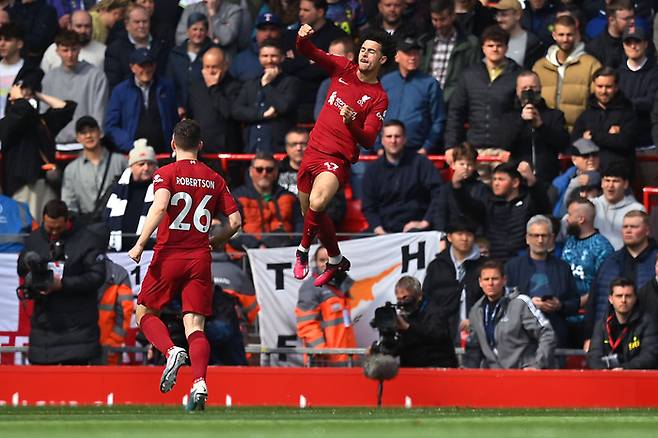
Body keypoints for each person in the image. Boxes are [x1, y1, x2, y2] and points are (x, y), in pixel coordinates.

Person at [127, 119, 242, 411]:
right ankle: (200, 381)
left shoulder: (165, 173)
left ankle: (170, 351)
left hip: (169, 254)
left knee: (144, 311)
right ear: (200, 146)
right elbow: (236, 222)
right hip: (199, 257)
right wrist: (217, 240)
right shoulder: (215, 178)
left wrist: (140, 243)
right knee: (195, 324)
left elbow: (161, 206)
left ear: (173, 144)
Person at [292, 24, 392, 287]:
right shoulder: (343, 68)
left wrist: (351, 124)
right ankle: (336, 259)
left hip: (336, 158)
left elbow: (369, 139)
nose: (364, 54)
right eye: (363, 49)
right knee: (312, 213)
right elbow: (308, 51)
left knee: (318, 200)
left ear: (381, 60)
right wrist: (301, 38)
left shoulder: (379, 97)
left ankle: (302, 250)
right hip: (312, 151)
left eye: (371, 52)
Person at [17, 200, 106, 365]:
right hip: (44, 332)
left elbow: (97, 277)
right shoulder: (34, 239)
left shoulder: (87, 239)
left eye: (58, 228)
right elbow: (21, 270)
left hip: (79, 332)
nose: (54, 233)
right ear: (43, 220)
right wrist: (27, 263)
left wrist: (63, 284)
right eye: (49, 228)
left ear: (67, 221)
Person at [0, 78, 76, 218]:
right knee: (25, 230)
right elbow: (21, 114)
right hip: (22, 186)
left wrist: (36, 94)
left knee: (47, 227)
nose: (27, 100)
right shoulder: (6, 123)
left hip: (46, 183)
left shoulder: (42, 122)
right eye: (23, 98)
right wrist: (17, 97)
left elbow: (65, 108)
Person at [444, 25, 521, 162]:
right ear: (483, 48)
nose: (495, 49)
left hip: (504, 151)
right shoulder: (469, 75)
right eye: (490, 45)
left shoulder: (518, 75)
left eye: (499, 45)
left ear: (506, 48)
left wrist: (513, 148)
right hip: (473, 149)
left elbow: (519, 117)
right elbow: (456, 113)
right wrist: (450, 145)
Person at [463, 260, 557, 369]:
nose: (490, 283)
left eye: (495, 279)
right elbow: (473, 348)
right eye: (486, 279)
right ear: (480, 282)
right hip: (495, 378)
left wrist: (538, 365)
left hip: (523, 375)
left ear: (504, 280)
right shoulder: (476, 311)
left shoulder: (520, 302)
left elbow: (547, 333)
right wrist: (466, 370)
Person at [504, 215, 580, 347]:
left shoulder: (563, 267)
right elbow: (503, 301)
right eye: (535, 235)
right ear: (527, 238)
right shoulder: (512, 267)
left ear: (552, 238)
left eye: (544, 236)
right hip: (520, 336)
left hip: (555, 332)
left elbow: (574, 302)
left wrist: (560, 305)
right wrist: (528, 304)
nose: (540, 240)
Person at [452, 160, 550, 262]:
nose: (496, 183)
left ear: (515, 182)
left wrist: (532, 181)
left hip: (523, 262)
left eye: (501, 179)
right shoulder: (487, 204)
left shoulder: (528, 202)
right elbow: (468, 208)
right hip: (495, 262)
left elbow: (544, 208)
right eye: (494, 179)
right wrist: (457, 187)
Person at [585, 210, 657, 346]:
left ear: (647, 230)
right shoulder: (609, 262)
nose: (628, 231)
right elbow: (594, 302)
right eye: (625, 227)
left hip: (650, 338)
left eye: (634, 227)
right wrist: (590, 337)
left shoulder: (656, 261)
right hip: (610, 338)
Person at [362, 120, 443, 234]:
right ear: (382, 140)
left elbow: (439, 194)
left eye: (397, 136)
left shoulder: (421, 163)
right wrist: (378, 229)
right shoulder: (373, 170)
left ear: (405, 139)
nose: (393, 141)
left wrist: (425, 222)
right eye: (389, 136)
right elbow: (368, 206)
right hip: (383, 232)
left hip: (417, 231)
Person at [498, 70, 570, 184]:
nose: (529, 91)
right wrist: (521, 121)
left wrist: (541, 126)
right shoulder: (509, 117)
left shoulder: (555, 115)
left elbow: (563, 143)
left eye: (532, 87)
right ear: (517, 91)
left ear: (540, 88)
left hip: (548, 178)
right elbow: (505, 143)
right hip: (518, 179)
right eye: (524, 88)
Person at [41, 30, 109, 150]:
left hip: (87, 145)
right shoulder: (49, 77)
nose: (70, 54)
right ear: (57, 51)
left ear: (80, 49)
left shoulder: (96, 75)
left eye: (74, 49)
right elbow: (44, 113)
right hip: (56, 145)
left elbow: (100, 112)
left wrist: (93, 139)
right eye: (65, 50)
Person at [533, 15, 602, 131]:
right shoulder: (540, 66)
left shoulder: (591, 65)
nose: (565, 39)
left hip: (578, 132)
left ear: (576, 35)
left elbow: (598, 101)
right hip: (545, 131)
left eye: (569, 35)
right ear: (554, 35)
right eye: (561, 35)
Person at [282, 0, 347, 122]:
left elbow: (329, 69)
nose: (300, 13)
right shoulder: (290, 36)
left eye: (306, 10)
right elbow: (285, 67)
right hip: (293, 100)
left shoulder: (337, 36)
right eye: (300, 9)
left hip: (323, 98)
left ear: (320, 12)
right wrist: (310, 60)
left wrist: (296, 62)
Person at [232, 39, 301, 154]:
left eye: (273, 56)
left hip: (279, 151)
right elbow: (236, 111)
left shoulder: (291, 82)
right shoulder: (250, 84)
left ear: (282, 57)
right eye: (265, 56)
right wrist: (262, 114)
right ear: (259, 58)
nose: (269, 60)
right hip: (252, 150)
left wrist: (267, 85)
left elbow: (283, 107)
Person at [422, 219, 484, 344]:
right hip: (442, 334)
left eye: (469, 234)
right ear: (449, 237)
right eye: (460, 234)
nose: (465, 238)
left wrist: (475, 319)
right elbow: (427, 299)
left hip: (478, 333)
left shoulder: (484, 266)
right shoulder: (437, 266)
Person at [104, 48, 178, 153]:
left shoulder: (166, 88)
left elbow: (174, 120)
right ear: (132, 67)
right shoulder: (120, 91)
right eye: (141, 66)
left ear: (155, 66)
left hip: (163, 152)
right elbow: (111, 126)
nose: (146, 70)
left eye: (149, 65)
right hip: (132, 155)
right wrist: (130, 145)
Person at [380, 36, 446, 153]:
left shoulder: (430, 83)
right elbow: (374, 116)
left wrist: (426, 147)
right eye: (407, 53)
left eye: (415, 53)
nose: (412, 57)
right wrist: (378, 147)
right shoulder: (385, 82)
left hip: (417, 151)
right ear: (397, 56)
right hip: (386, 150)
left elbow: (439, 120)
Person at [295, 245, 356, 366]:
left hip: (346, 358)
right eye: (322, 260)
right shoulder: (310, 288)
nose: (326, 264)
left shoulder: (341, 284)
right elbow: (306, 325)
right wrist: (321, 351)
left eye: (329, 260)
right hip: (325, 361)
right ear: (315, 262)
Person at [571, 67, 637, 176]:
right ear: (594, 85)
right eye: (600, 86)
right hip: (589, 174)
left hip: (618, 175)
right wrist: (610, 137)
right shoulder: (586, 114)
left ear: (616, 87)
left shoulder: (627, 112)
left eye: (608, 87)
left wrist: (592, 137)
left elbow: (625, 142)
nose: (603, 91)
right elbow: (574, 144)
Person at [61, 116, 127, 219]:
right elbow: (69, 204)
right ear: (78, 138)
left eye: (92, 131)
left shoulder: (120, 161)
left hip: (118, 220)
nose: (88, 136)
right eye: (83, 132)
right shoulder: (71, 169)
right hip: (87, 225)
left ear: (100, 133)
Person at [231, 152, 299, 248]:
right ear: (250, 172)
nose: (264, 173)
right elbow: (232, 232)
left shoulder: (290, 197)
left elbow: (300, 227)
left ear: (276, 172)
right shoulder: (237, 197)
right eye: (259, 170)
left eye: (269, 170)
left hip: (286, 253)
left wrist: (292, 247)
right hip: (249, 256)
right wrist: (258, 246)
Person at [588, 277, 658, 369]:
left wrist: (624, 369)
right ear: (611, 299)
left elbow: (649, 356)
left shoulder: (647, 323)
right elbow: (594, 356)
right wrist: (604, 371)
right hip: (607, 378)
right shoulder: (602, 324)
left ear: (635, 298)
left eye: (628, 296)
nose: (623, 300)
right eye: (619, 296)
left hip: (636, 378)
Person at [420, 0, 480, 106]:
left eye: (443, 19)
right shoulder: (425, 42)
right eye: (435, 20)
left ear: (453, 16)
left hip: (453, 104)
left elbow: (473, 77)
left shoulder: (470, 44)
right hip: (425, 102)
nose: (438, 24)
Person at [185, 47, 241, 154]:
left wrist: (213, 88)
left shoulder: (235, 86)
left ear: (225, 66)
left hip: (226, 149)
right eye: (207, 67)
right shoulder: (195, 88)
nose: (210, 71)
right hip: (201, 149)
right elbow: (190, 116)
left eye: (214, 67)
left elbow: (229, 112)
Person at [105, 140, 158, 251]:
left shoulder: (161, 189)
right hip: (119, 252)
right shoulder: (117, 189)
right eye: (141, 164)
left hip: (149, 251)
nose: (146, 168)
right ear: (131, 166)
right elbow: (105, 218)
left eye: (150, 163)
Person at [394, 275, 457, 367]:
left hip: (436, 368)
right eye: (399, 299)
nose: (402, 303)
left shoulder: (435, 311)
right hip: (410, 369)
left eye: (405, 298)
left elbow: (437, 334)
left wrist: (408, 327)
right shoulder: (404, 315)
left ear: (419, 296)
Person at [104, 4, 169, 89]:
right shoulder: (115, 49)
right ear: (127, 25)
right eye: (137, 22)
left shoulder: (162, 45)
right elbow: (113, 83)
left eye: (145, 21)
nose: (141, 26)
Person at [434, 142, 490, 233]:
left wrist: (458, 188)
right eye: (461, 164)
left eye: (469, 165)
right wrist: (441, 237)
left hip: (474, 235)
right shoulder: (445, 189)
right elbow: (440, 215)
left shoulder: (482, 188)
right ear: (453, 164)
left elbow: (480, 214)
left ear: (475, 166)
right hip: (451, 236)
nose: (465, 168)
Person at [166, 12, 214, 117]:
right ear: (188, 30)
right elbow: (170, 83)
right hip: (180, 112)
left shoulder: (213, 53)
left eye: (201, 30)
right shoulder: (176, 54)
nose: (198, 33)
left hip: (205, 110)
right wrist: (178, 105)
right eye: (194, 29)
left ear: (207, 32)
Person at [592, 163, 644, 250]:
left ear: (625, 184)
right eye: (607, 180)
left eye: (615, 181)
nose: (610, 186)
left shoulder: (637, 209)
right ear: (601, 183)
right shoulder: (591, 206)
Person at [41, 10, 107, 73]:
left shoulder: (103, 51)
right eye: (79, 26)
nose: (83, 30)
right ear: (69, 26)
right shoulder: (53, 50)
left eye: (87, 26)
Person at [551, 138, 601, 218]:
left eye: (594, 154)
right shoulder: (560, 182)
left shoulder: (607, 177)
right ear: (574, 159)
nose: (591, 159)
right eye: (585, 156)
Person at [230, 12, 284, 83]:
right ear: (257, 32)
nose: (268, 34)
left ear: (279, 32)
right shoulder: (241, 60)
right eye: (263, 29)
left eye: (272, 29)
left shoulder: (289, 56)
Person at [175, 0, 241, 57]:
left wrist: (213, 14)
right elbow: (180, 39)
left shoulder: (234, 10)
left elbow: (226, 39)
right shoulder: (190, 9)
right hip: (193, 61)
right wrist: (212, 40)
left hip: (220, 64)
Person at [492, 0, 545, 69]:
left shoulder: (532, 42)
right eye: (497, 15)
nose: (499, 19)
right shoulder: (491, 38)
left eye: (504, 15)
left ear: (517, 15)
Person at [585, 0, 635, 69]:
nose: (632, 22)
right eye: (626, 19)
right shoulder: (594, 48)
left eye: (632, 17)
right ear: (612, 20)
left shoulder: (638, 42)